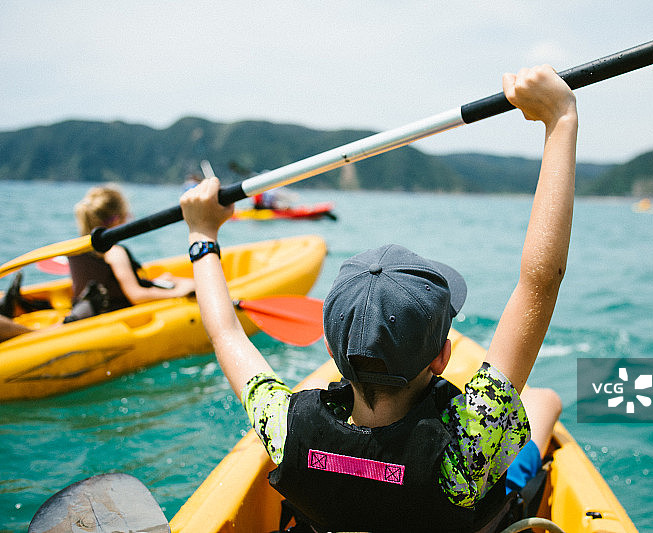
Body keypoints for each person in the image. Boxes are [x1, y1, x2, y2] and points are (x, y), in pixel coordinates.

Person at [180, 64, 575, 532]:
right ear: (442, 357)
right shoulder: (465, 448)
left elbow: (225, 333)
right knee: (545, 400)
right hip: (465, 507)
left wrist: (202, 234)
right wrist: (560, 118)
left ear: (330, 350)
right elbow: (539, 283)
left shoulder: (288, 428)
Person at [68, 184, 195, 320]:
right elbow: (136, 296)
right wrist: (178, 292)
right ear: (117, 220)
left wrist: (153, 283)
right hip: (116, 316)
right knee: (192, 285)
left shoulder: (78, 249)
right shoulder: (114, 252)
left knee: (171, 279)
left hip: (91, 311)